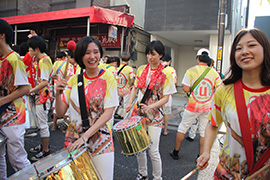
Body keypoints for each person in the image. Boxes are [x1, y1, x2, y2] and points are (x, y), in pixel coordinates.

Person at [197, 28, 270, 179]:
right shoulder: (223, 91)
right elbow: (212, 124)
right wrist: (206, 151)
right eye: (238, 48)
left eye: (251, 45)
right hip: (226, 172)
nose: (244, 51)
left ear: (265, 49)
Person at [55, 36, 119, 180]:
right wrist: (57, 94)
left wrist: (85, 137)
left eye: (95, 52)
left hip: (100, 140)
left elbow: (108, 113)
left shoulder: (108, 77)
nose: (92, 57)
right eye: (87, 53)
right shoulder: (72, 80)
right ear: (80, 56)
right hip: (74, 140)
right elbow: (60, 113)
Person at [126, 40, 177, 180]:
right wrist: (130, 103)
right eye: (148, 54)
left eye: (153, 54)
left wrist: (151, 107)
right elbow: (135, 87)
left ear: (161, 55)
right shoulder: (142, 69)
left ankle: (157, 177)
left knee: (153, 150)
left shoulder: (166, 74)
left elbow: (166, 98)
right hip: (139, 113)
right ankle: (142, 173)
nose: (150, 57)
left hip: (154, 115)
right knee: (140, 148)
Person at [170, 48, 222, 160]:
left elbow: (185, 88)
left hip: (192, 106)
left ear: (198, 58)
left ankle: (176, 152)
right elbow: (219, 89)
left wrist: (190, 89)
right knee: (203, 132)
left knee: (183, 127)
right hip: (207, 107)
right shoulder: (214, 73)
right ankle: (200, 155)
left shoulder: (191, 71)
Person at [0, 19, 31, 180]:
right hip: (3, 115)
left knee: (17, 159)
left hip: (13, 117)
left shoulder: (15, 59)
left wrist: (2, 101)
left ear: (2, 35)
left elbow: (25, 88)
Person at [27, 35, 53, 161]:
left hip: (42, 97)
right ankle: (43, 145)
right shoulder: (42, 59)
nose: (29, 51)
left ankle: (46, 150)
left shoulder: (44, 60)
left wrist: (31, 91)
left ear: (36, 49)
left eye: (30, 49)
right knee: (41, 123)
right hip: (41, 96)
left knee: (43, 125)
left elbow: (44, 82)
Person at [51, 51, 75, 131]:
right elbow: (69, 77)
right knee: (66, 105)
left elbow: (53, 75)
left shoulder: (56, 64)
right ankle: (64, 126)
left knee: (56, 103)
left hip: (56, 85)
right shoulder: (69, 66)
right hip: (65, 86)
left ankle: (54, 125)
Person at [161, 53, 177, 136]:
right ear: (169, 61)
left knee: (157, 112)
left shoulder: (158, 68)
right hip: (166, 94)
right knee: (166, 112)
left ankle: (156, 128)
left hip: (157, 93)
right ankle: (165, 130)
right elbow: (174, 82)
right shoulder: (171, 70)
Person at [115, 52, 135, 119]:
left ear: (121, 58)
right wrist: (131, 85)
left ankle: (110, 124)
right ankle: (124, 123)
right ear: (129, 59)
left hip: (117, 90)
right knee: (126, 108)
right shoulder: (130, 69)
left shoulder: (116, 68)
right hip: (126, 90)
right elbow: (132, 80)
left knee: (114, 107)